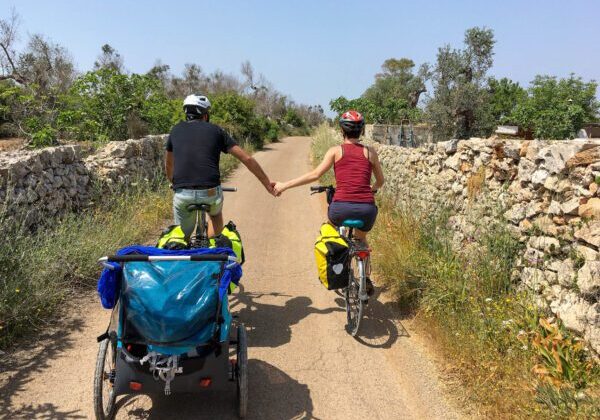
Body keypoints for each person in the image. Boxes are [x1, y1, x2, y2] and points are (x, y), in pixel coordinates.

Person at [273, 110, 384, 292]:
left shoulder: (335, 151)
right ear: (362, 131)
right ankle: (366, 278)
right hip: (367, 209)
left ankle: (337, 265)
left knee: (330, 228)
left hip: (340, 208)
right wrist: (370, 190)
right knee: (361, 239)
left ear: (342, 130)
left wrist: (284, 185)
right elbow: (380, 181)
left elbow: (315, 174)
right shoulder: (370, 152)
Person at [165, 93, 276, 239]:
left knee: (180, 237)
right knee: (215, 214)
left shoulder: (175, 131)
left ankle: (181, 249)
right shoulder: (216, 131)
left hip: (183, 193)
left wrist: (173, 181)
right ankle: (213, 247)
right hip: (210, 192)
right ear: (205, 115)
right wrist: (267, 184)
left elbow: (169, 163)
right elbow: (247, 159)